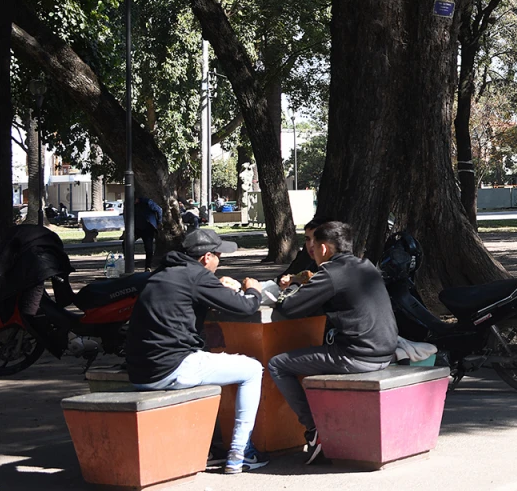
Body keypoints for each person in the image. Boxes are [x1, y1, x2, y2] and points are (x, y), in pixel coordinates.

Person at [124, 228, 267, 474]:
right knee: (252, 369)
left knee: (211, 361)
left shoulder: (164, 273)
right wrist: (253, 289)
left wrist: (218, 287)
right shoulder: (197, 276)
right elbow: (245, 307)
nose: (220, 261)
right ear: (206, 258)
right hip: (172, 368)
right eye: (219, 256)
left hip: (140, 372)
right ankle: (241, 452)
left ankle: (209, 447)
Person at [268, 221, 399, 465]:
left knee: (278, 364)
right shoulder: (365, 265)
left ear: (325, 249)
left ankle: (313, 429)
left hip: (357, 356)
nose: (312, 251)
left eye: (314, 246)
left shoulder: (330, 272)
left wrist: (293, 285)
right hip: (385, 352)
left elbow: (288, 308)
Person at [134, 196, 164, 271]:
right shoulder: (129, 204)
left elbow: (159, 209)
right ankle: (128, 262)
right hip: (136, 228)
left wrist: (159, 222)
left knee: (149, 248)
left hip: (147, 228)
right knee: (126, 244)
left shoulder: (147, 202)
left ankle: (148, 266)